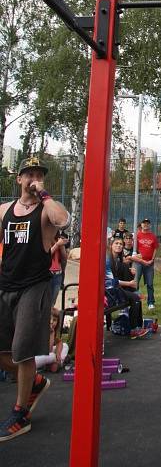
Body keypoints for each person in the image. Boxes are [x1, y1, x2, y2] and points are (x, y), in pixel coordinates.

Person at [0, 156, 70, 441]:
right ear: (18, 179)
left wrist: (44, 194)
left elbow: (62, 219)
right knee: (4, 355)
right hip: (6, 286)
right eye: (28, 174)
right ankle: (36, 383)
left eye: (38, 174)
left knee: (23, 352)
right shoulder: (4, 209)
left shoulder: (44, 211)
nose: (33, 177)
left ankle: (21, 413)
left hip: (34, 286)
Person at [105, 235, 149, 339]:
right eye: (116, 243)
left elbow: (119, 274)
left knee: (136, 296)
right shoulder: (107, 260)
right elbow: (111, 281)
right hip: (109, 291)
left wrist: (130, 271)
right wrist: (129, 284)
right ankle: (134, 330)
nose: (119, 246)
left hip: (116, 290)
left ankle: (138, 326)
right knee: (135, 298)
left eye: (121, 244)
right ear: (111, 246)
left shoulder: (119, 260)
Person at [135, 218, 159, 310]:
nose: (145, 225)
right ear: (141, 225)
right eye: (144, 223)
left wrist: (152, 259)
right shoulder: (137, 235)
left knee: (150, 283)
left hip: (149, 263)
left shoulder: (153, 236)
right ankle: (135, 300)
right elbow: (134, 248)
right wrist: (138, 257)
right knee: (135, 282)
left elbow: (155, 248)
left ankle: (151, 302)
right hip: (138, 262)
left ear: (150, 225)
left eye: (147, 223)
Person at [49, 230, 68, 306]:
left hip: (58, 274)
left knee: (52, 303)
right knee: (45, 303)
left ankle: (50, 317)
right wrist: (57, 245)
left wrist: (62, 246)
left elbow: (64, 258)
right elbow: (45, 255)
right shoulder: (45, 239)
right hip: (47, 275)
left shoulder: (59, 240)